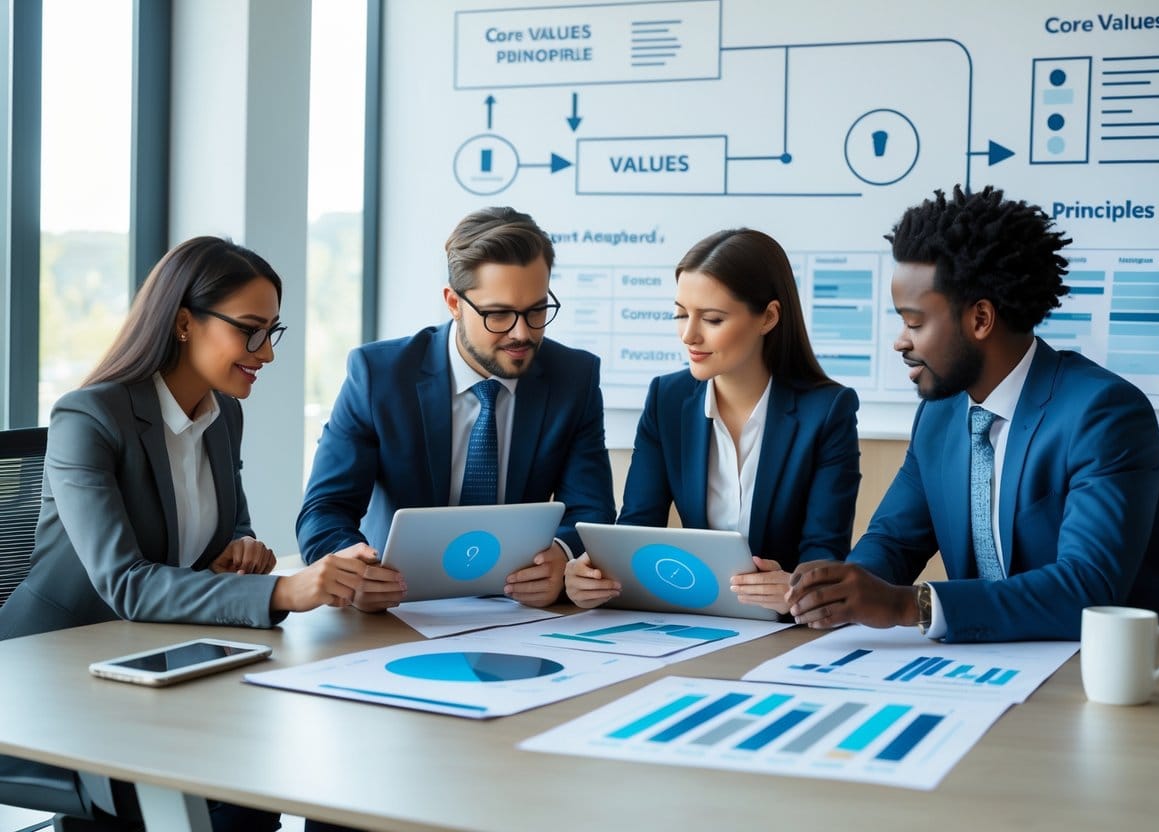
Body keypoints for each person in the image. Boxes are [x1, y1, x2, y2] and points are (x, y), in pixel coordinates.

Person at [0, 237, 387, 830]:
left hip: (156, 657)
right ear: (184, 322)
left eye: (272, 332)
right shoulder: (87, 417)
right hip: (53, 675)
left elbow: (227, 525)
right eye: (250, 330)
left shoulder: (223, 413)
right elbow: (125, 584)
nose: (267, 353)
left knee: (269, 779)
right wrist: (285, 590)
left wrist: (245, 547)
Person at [786, 185, 1159, 641]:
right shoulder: (940, 415)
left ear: (981, 319)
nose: (900, 341)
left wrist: (909, 605)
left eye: (914, 322)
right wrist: (835, 592)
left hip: (1135, 669)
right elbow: (892, 540)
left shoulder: (1103, 414)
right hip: (994, 663)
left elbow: (1088, 589)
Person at [296, 207, 616, 611]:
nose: (522, 332)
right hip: (396, 606)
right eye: (498, 314)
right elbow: (323, 510)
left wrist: (562, 556)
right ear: (453, 302)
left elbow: (592, 511)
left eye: (536, 310)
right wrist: (351, 570)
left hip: (518, 613)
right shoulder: (379, 376)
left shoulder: (575, 377)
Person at [565, 228, 861, 614]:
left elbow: (824, 552)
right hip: (693, 616)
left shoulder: (828, 410)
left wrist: (794, 588)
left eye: (713, 319)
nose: (689, 335)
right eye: (680, 314)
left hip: (785, 628)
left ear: (768, 317)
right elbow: (636, 529)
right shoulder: (666, 399)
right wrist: (592, 576)